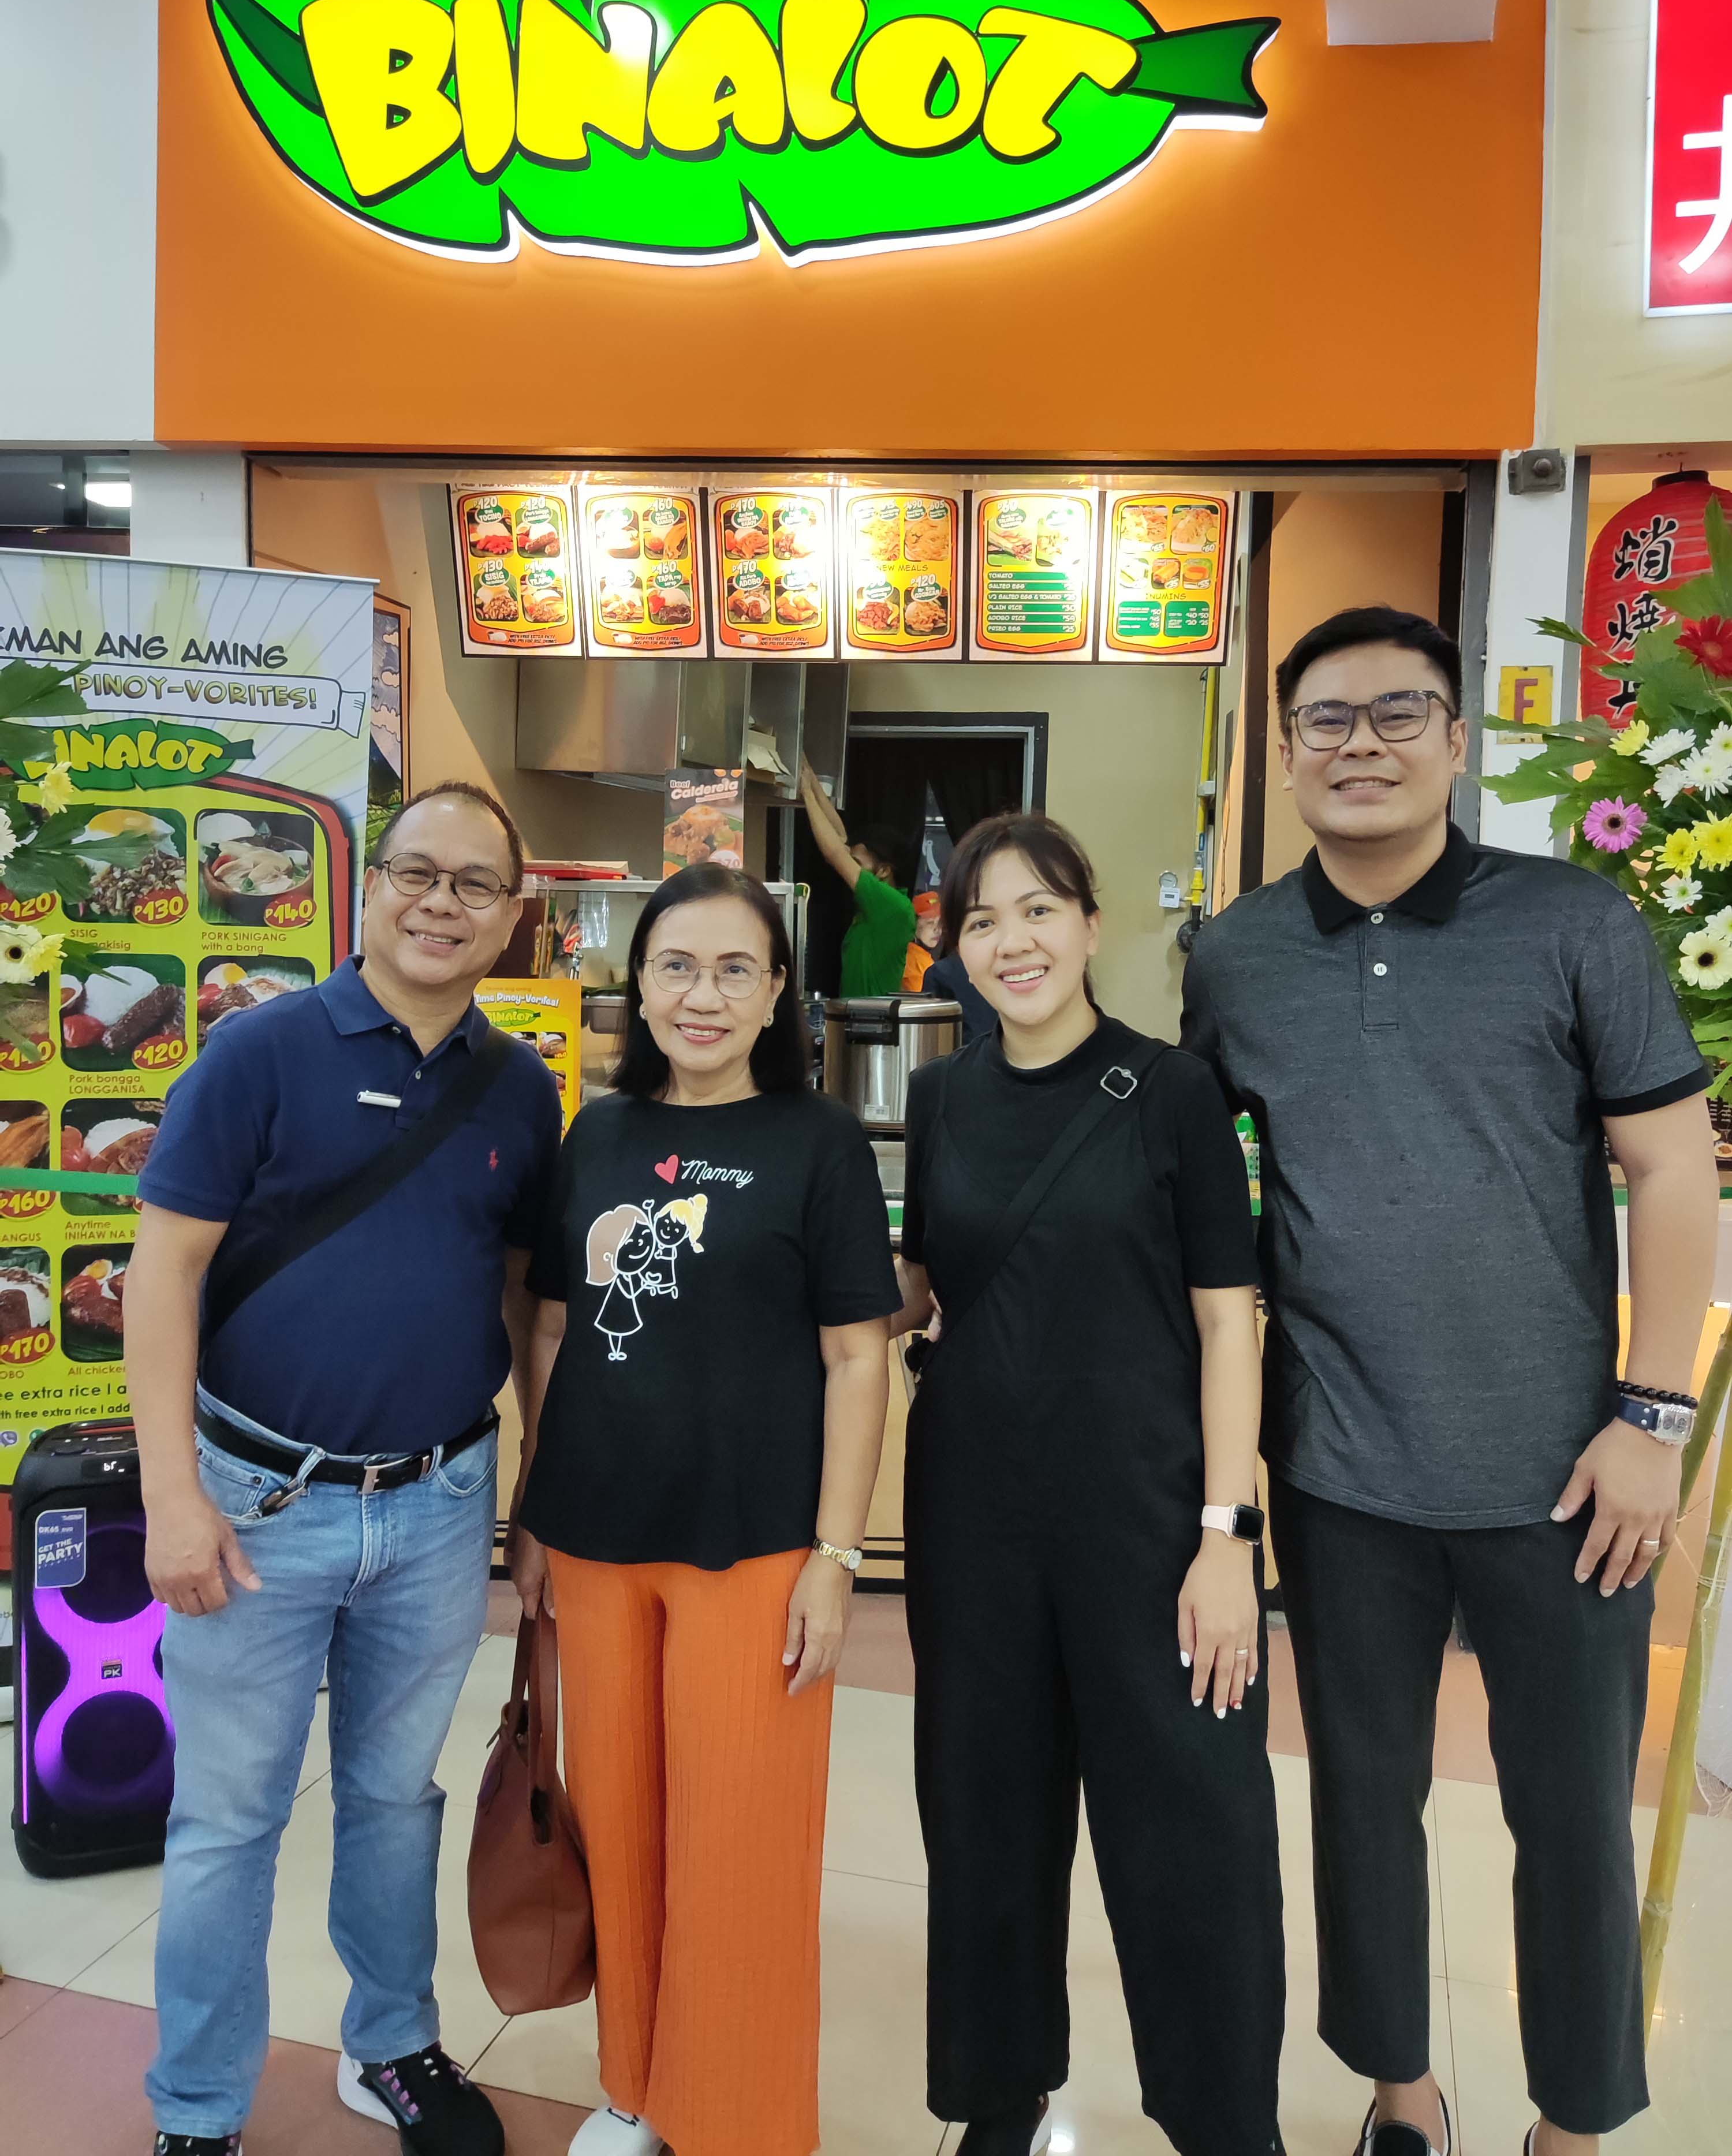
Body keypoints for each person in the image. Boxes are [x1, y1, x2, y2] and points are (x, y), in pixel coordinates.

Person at [1181, 606, 1719, 2156]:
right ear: (1286, 752)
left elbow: (1671, 1166)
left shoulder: (1573, 923)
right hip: (1339, 1470)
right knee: (1361, 1797)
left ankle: (1572, 2122)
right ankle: (1401, 2097)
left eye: (1397, 713)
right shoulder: (1237, 954)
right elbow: (1196, 1194)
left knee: (1571, 1817)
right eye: (1327, 719)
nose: (1361, 744)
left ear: (1456, 738)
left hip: (1564, 1476)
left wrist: (1651, 1415)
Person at [128, 781, 562, 2156]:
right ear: (371, 886)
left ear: (512, 913)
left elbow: (523, 1298)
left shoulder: (522, 1088)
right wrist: (171, 1496)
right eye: (416, 872)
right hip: (253, 1504)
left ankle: (392, 2043)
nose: (440, 903)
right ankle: (199, 2106)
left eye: (474, 884)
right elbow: (162, 1273)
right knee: (227, 1819)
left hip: (437, 1506)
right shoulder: (258, 1051)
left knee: (393, 1798)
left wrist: (534, 1491)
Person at [894, 812, 1286, 2156]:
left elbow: (1229, 1321)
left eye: (1038, 910)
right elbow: (918, 1286)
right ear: (956, 947)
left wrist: (1227, 1535)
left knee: (1193, 1823)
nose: (1012, 941)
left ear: (1089, 922)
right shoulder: (940, 1099)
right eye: (981, 919)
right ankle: (998, 2100)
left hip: (1150, 1515)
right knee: (982, 1815)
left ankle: (1224, 2119)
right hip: (972, 1516)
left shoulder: (1173, 1091)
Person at [511, 864, 899, 2156]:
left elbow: (858, 1357)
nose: (704, 994)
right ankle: (636, 2085)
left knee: (740, 1843)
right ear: (639, 983)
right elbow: (553, 1330)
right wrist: (533, 1512)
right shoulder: (598, 1135)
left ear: (779, 991)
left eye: (737, 969)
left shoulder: (820, 1140)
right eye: (677, 965)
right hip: (597, 1534)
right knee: (620, 1828)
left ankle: (736, 2120)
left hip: (758, 1543)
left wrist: (837, 1553)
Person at [798, 754, 917, 995]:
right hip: (855, 1013)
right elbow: (840, 839)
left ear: (884, 871)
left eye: (857, 863)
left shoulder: (893, 906)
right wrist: (808, 776)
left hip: (872, 1016)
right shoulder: (875, 905)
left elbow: (835, 853)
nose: (848, 867)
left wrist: (807, 793)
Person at [902, 889, 941, 990]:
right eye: (930, 923)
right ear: (914, 924)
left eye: (940, 922)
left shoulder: (919, 955)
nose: (937, 929)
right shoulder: (915, 961)